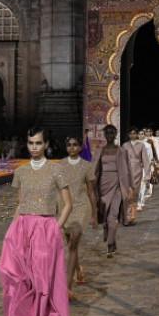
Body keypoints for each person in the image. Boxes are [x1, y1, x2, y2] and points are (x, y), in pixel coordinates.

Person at [0, 126, 74, 316]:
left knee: (40, 284)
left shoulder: (57, 170)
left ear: (47, 144)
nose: (34, 147)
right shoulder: (21, 172)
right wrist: (10, 233)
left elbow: (68, 204)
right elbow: (21, 204)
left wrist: (54, 228)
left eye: (38, 143)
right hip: (20, 229)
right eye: (31, 143)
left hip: (45, 229)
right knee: (15, 279)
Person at [60, 135, 97, 299]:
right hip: (64, 208)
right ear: (66, 147)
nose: (72, 147)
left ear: (80, 147)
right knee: (70, 244)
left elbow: (91, 192)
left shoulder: (87, 167)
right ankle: (79, 270)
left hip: (81, 207)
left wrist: (95, 215)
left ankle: (67, 287)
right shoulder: (59, 165)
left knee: (74, 243)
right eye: (69, 145)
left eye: (75, 145)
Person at [96, 124, 131, 258]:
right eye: (107, 133)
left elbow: (128, 169)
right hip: (103, 186)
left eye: (112, 133)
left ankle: (110, 244)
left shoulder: (122, 150)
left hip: (117, 185)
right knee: (105, 218)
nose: (110, 135)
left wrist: (131, 187)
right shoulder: (99, 151)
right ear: (104, 135)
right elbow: (94, 170)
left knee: (113, 216)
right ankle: (113, 240)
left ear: (116, 134)